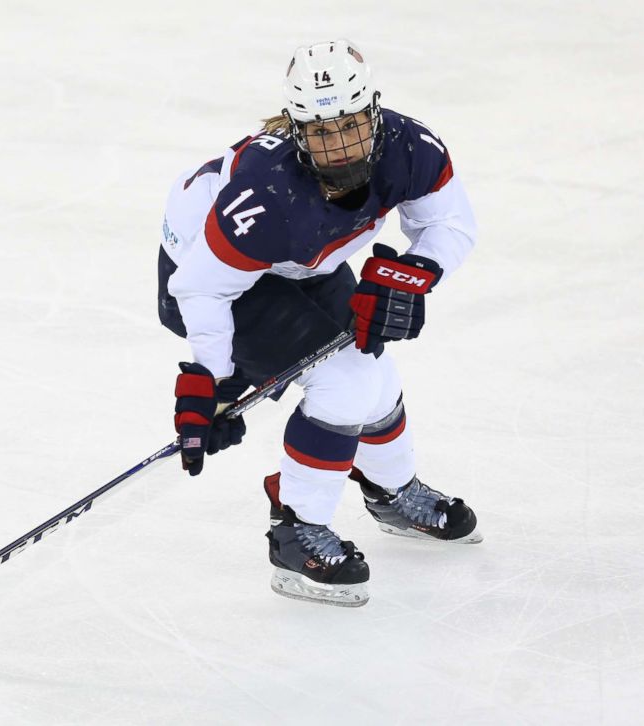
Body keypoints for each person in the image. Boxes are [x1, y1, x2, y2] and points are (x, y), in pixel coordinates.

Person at [158, 40, 480, 608]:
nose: (339, 145)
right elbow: (200, 287)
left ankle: (389, 490)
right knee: (343, 384)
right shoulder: (267, 195)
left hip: (307, 261)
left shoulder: (411, 149)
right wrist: (210, 376)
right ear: (298, 129)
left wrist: (412, 273)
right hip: (214, 272)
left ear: (374, 113)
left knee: (371, 374)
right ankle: (293, 535)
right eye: (321, 132)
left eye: (352, 125)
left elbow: (451, 225)